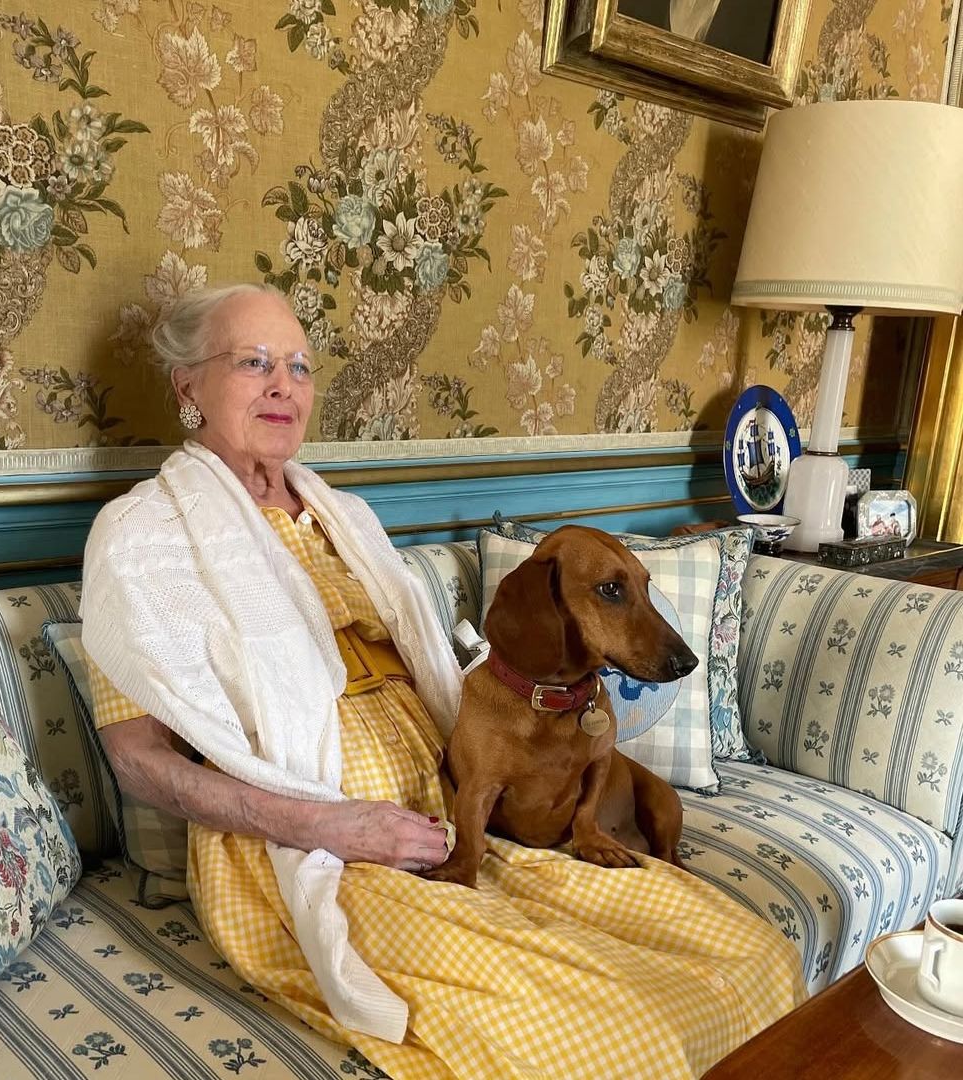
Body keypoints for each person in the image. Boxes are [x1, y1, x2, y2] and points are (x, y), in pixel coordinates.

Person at [80, 283, 806, 1079]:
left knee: (747, 955)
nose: (284, 385)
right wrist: (332, 827)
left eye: (299, 365)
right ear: (188, 385)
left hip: (459, 807)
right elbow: (137, 760)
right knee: (604, 1035)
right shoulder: (139, 534)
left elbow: (452, 676)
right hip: (312, 844)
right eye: (254, 363)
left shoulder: (344, 517)